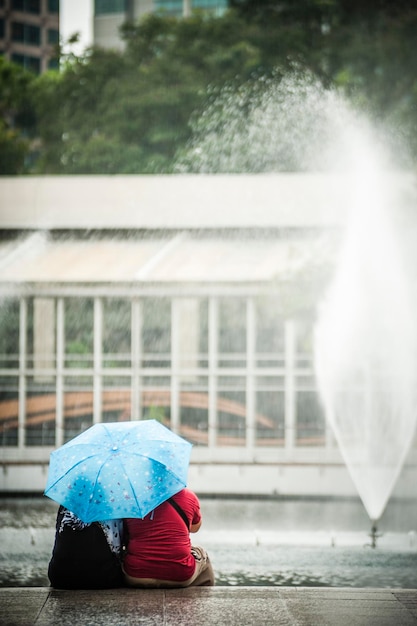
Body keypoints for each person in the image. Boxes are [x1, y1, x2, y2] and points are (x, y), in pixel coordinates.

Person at [123, 487, 214, 588]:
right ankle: (207, 598)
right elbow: (194, 528)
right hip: (180, 574)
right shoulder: (188, 495)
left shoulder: (132, 499)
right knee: (201, 554)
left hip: (136, 574)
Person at [48, 505, 124, 589]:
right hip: (104, 578)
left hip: (60, 576)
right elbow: (117, 549)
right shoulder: (113, 507)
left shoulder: (66, 504)